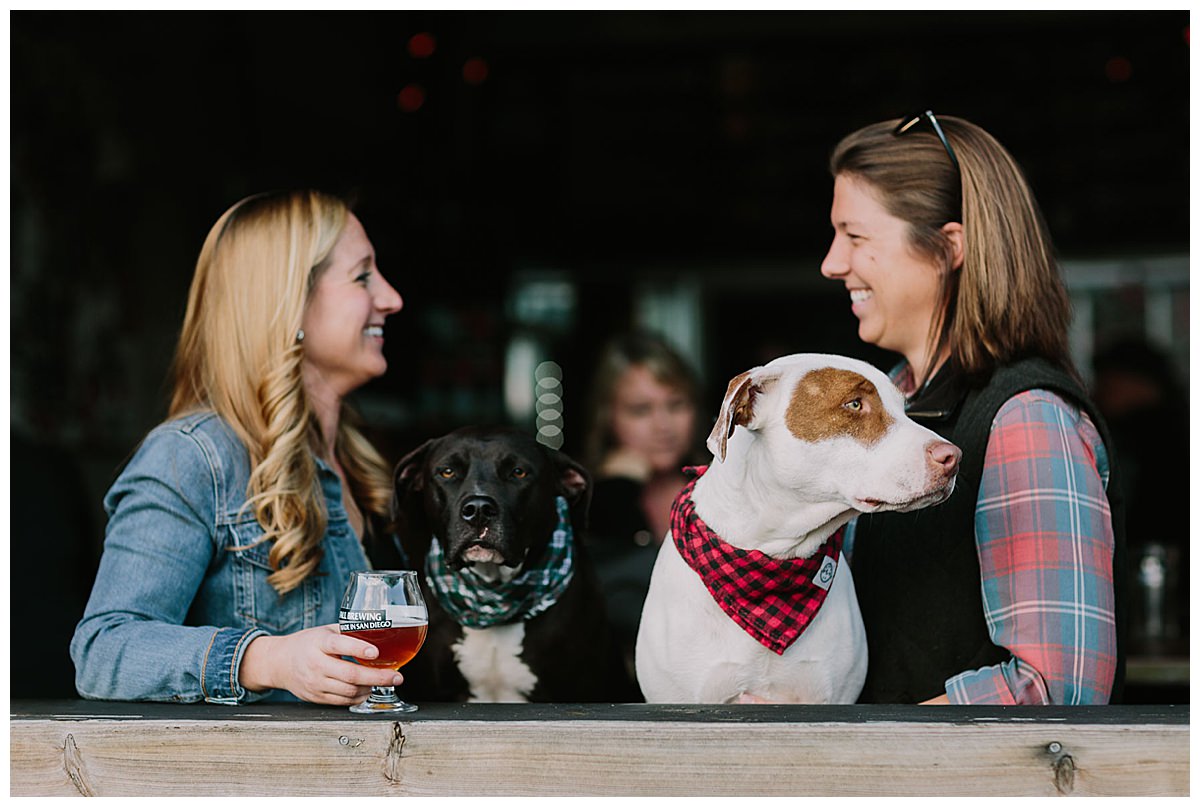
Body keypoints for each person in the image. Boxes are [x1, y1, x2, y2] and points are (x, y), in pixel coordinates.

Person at [819, 112, 1126, 705]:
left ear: (947, 248)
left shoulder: (1026, 417)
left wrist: (860, 748)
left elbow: (1057, 689)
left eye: (855, 237)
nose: (832, 263)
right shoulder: (894, 397)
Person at [71, 190, 411, 705]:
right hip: (264, 784)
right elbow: (104, 651)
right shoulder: (191, 458)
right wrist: (264, 659)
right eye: (363, 276)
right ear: (287, 299)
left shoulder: (360, 461)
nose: (391, 298)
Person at [581, 331, 705, 679]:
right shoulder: (582, 502)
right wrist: (618, 488)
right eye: (640, 410)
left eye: (676, 405)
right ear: (608, 417)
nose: (663, 426)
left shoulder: (722, 488)